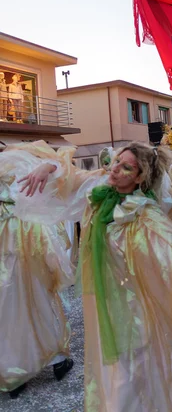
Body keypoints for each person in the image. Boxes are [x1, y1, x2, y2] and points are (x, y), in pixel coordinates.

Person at [19, 141, 172, 412]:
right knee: (111, 373)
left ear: (140, 178)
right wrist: (47, 167)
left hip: (132, 311)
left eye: (126, 167)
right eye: (116, 162)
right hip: (104, 305)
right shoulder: (101, 187)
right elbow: (71, 177)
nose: (115, 170)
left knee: (132, 378)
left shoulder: (144, 217)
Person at [0, 142, 78, 399]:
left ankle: (20, 369)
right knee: (26, 300)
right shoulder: (17, 158)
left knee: (20, 301)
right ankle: (25, 366)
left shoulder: (16, 158)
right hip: (20, 237)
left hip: (23, 238)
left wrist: (46, 166)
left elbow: (60, 165)